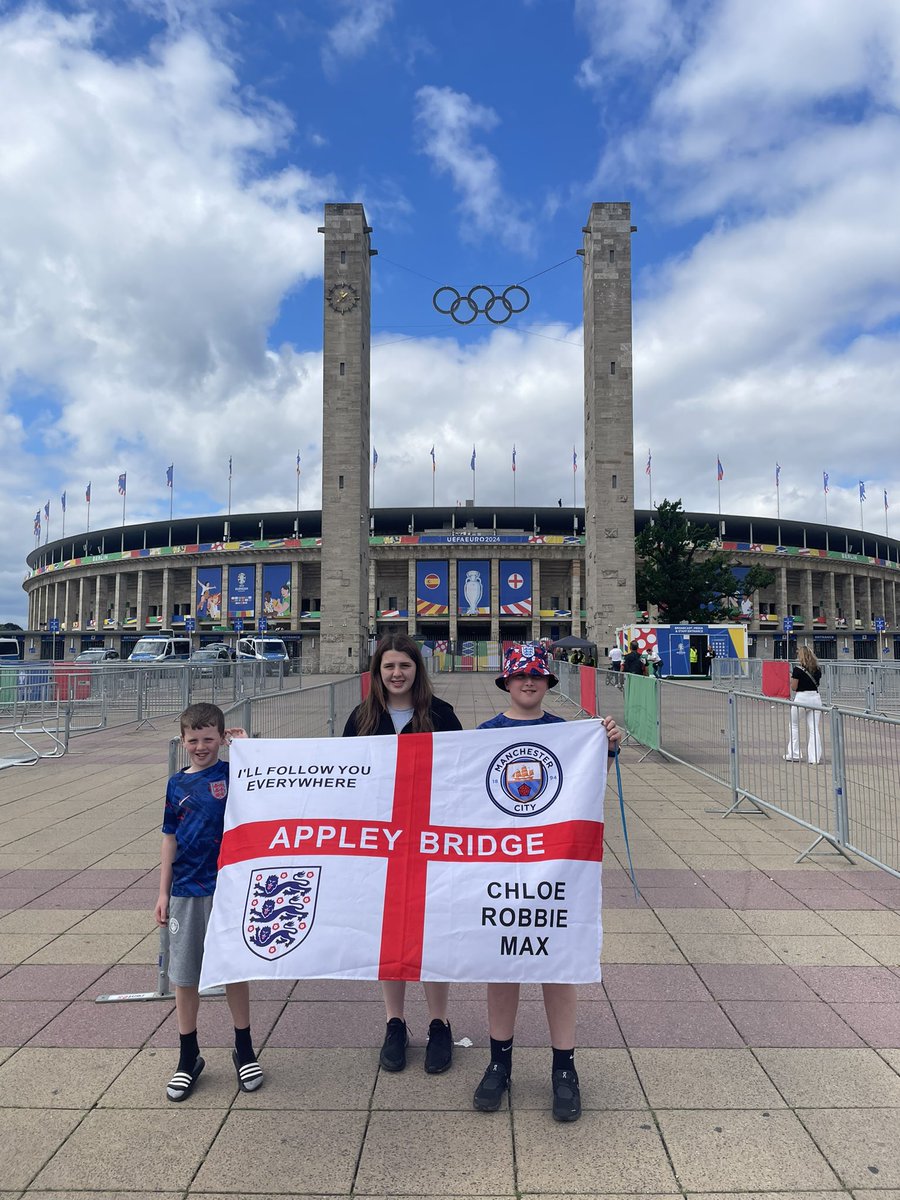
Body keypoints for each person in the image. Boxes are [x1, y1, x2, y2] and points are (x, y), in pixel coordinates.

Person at [472, 642, 621, 1124]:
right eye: (519, 677)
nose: (528, 683)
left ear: (547, 682)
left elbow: (586, 781)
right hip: (500, 868)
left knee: (558, 964)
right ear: (507, 683)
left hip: (556, 869)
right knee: (503, 966)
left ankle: (564, 1067)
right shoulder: (485, 735)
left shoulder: (567, 733)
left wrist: (608, 747)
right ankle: (500, 1060)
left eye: (536, 676)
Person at [342, 633, 462, 1074]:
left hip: (429, 839)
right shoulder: (361, 718)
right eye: (388, 667)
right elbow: (344, 779)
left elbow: (462, 776)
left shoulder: (442, 716)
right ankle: (395, 1022)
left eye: (404, 667)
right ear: (377, 672)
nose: (396, 674)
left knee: (431, 932)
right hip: (380, 843)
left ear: (417, 670)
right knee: (388, 931)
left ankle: (439, 1022)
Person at [155, 703, 262, 1102]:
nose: (201, 746)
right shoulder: (175, 785)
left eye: (208, 738)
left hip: (229, 886)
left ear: (221, 738)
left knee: (235, 966)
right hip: (185, 888)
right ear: (183, 742)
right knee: (185, 976)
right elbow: (169, 837)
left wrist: (249, 749)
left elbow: (267, 782)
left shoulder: (233, 775)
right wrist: (163, 891)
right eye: (193, 739)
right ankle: (189, 1056)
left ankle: (244, 1047)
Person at [784, 645, 823, 763]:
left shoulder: (797, 670)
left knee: (794, 725)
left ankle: (794, 754)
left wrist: (790, 679)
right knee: (814, 728)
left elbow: (794, 687)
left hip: (802, 698)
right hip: (815, 698)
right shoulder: (817, 669)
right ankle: (814, 757)